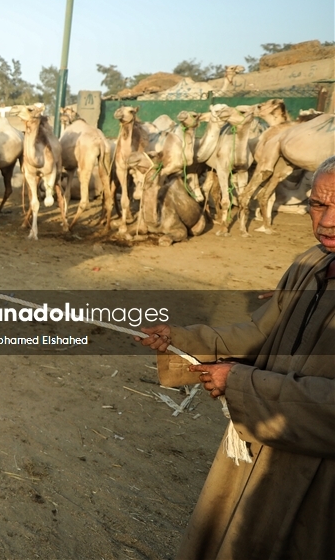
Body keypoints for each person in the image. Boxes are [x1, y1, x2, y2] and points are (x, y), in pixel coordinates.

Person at [137, 155, 335, 559]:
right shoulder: (311, 263)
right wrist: (182, 340)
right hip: (260, 453)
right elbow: (260, 332)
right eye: (318, 204)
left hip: (321, 481)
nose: (327, 221)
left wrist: (244, 384)